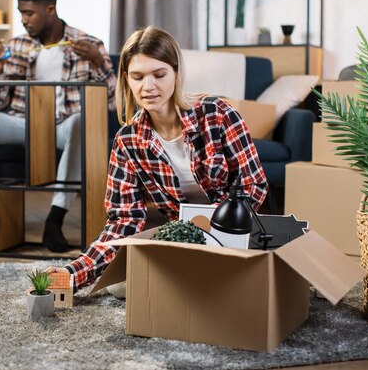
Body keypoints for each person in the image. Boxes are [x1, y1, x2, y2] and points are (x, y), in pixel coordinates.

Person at [47, 26, 268, 291]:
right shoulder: (127, 141)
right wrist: (72, 274)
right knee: (118, 288)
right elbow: (123, 220)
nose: (148, 87)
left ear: (176, 73)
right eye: (137, 77)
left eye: (159, 74)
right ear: (126, 80)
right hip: (182, 242)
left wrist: (213, 235)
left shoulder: (217, 114)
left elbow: (252, 187)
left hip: (236, 237)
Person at [0, 0, 116, 251]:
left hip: (63, 126)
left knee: (80, 122)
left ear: (50, 9)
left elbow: (111, 101)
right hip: (20, 122)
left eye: (29, 13)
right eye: (21, 13)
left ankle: (55, 219)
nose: (24, 20)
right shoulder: (16, 46)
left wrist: (98, 61)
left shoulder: (88, 45)